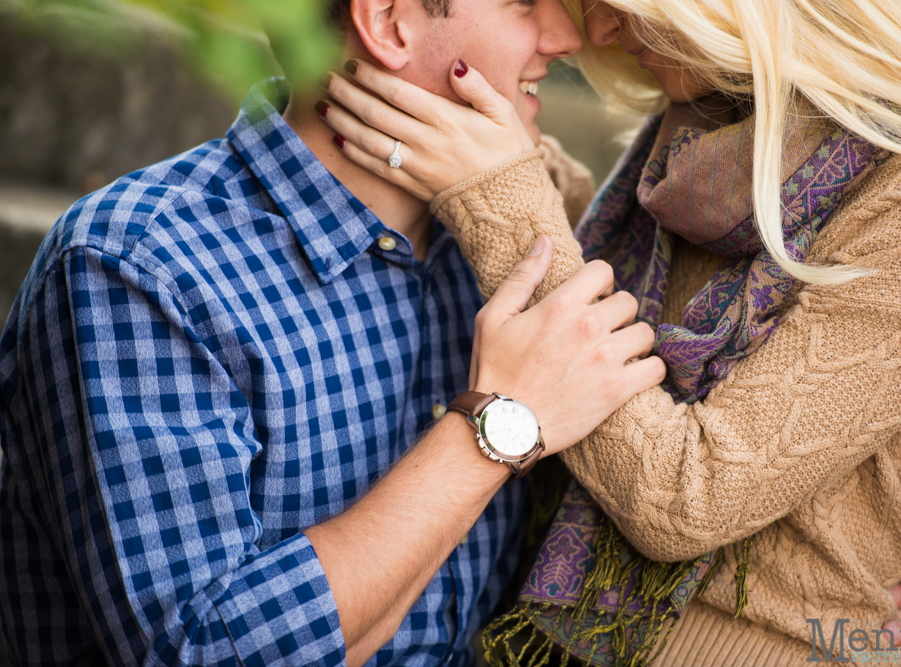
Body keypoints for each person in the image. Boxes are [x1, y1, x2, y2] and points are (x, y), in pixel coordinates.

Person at [312, 0, 901, 664]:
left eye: (621, 1)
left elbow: (690, 498)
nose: (598, 29)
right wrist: (521, 179)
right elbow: (641, 303)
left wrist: (503, 198)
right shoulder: (708, 122)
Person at [0, 1, 673, 666]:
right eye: (523, 2)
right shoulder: (138, 264)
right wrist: (499, 424)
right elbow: (201, 652)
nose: (565, 37)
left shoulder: (491, 252)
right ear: (386, 22)